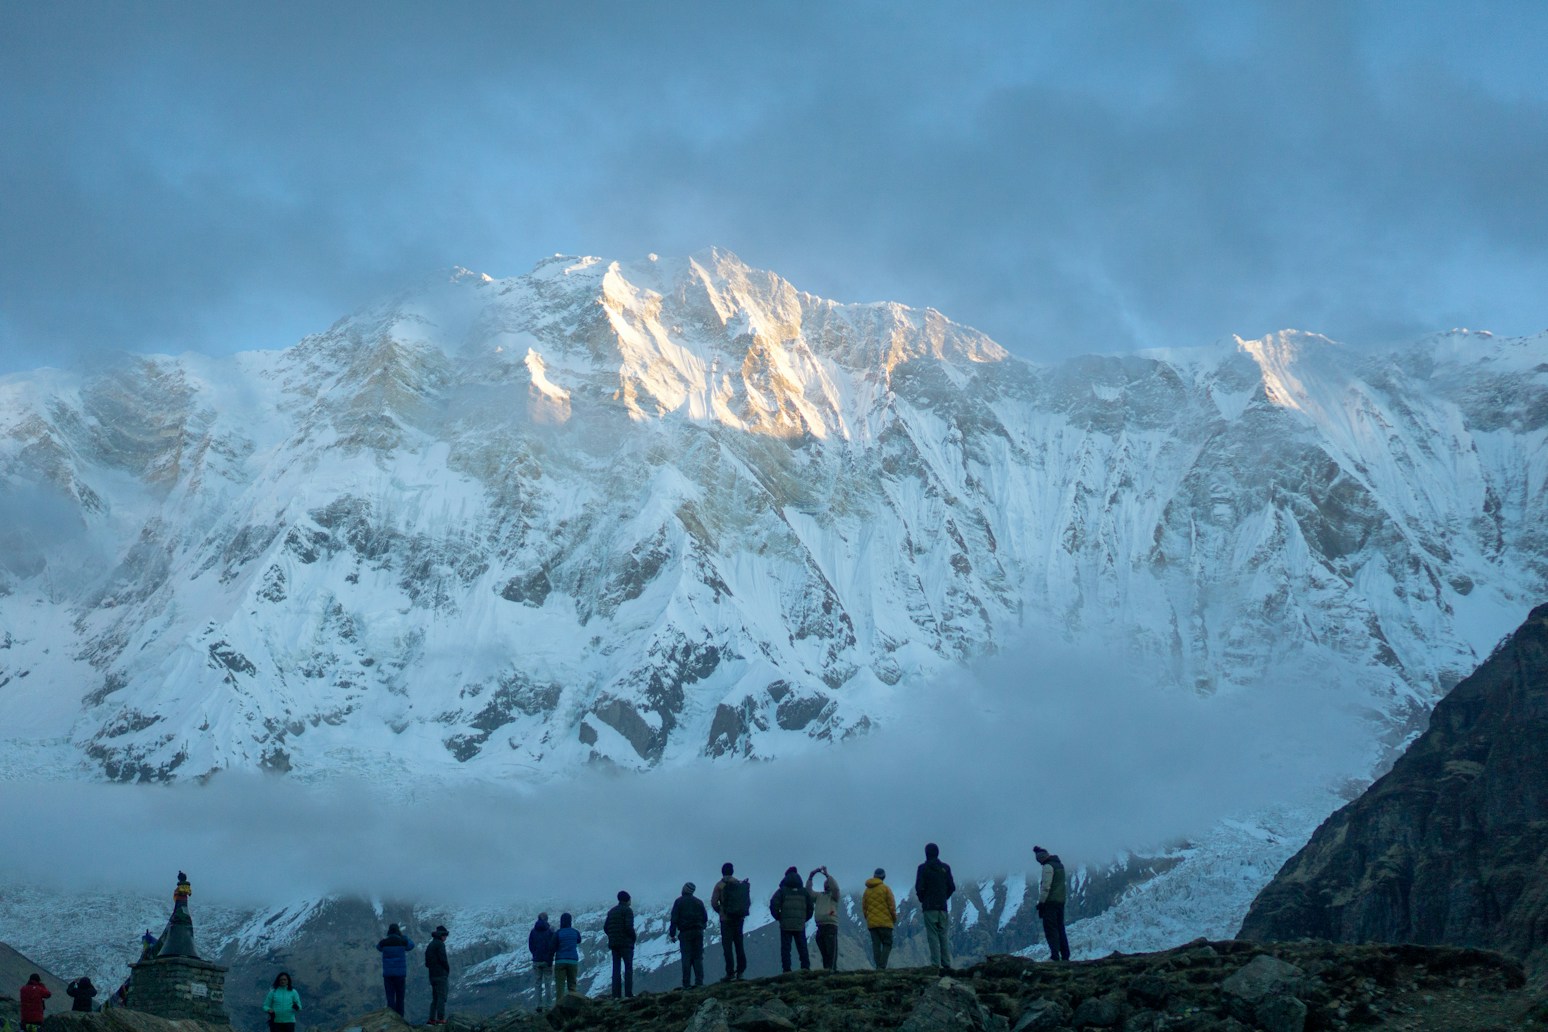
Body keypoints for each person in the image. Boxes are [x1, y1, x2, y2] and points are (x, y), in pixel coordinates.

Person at [915, 842, 956, 972]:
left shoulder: (923, 868)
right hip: (942, 907)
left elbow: (919, 887)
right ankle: (946, 963)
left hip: (929, 907)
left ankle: (935, 964)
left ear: (926, 853)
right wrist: (944, 897)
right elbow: (952, 887)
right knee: (943, 934)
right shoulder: (945, 868)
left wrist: (923, 899)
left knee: (932, 935)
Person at [709, 862, 749, 981]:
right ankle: (741, 972)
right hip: (739, 919)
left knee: (727, 947)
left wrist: (722, 911)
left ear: (722, 872)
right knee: (739, 945)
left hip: (726, 920)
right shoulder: (738, 883)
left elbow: (714, 902)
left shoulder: (719, 885)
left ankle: (730, 973)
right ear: (732, 871)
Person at [769, 866, 814, 972]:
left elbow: (773, 904)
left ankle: (786, 970)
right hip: (799, 923)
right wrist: (803, 918)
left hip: (786, 924)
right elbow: (810, 907)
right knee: (802, 946)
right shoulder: (803, 892)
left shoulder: (782, 891)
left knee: (786, 948)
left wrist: (779, 917)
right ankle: (805, 967)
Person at [1033, 845, 1071, 962]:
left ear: (1042, 858)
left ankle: (1055, 956)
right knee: (1060, 928)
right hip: (1060, 901)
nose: (1039, 863)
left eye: (1039, 860)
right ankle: (1065, 955)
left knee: (1051, 928)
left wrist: (1041, 903)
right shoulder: (1060, 865)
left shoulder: (1048, 866)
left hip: (1050, 902)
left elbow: (1046, 886)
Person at [668, 882, 709, 988]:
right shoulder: (699, 902)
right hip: (698, 932)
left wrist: (672, 934)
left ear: (684, 890)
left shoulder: (679, 902)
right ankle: (699, 982)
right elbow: (705, 918)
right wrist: (701, 927)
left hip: (685, 933)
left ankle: (686, 983)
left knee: (686, 958)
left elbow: (674, 919)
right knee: (697, 957)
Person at [376, 922, 416, 1016]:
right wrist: (404, 937)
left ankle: (391, 1018)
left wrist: (386, 939)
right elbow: (411, 945)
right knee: (400, 997)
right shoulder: (402, 941)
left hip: (388, 975)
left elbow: (378, 947)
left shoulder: (384, 942)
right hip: (400, 975)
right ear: (398, 931)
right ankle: (400, 1019)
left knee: (390, 997)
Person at [861, 868, 899, 970]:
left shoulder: (866, 891)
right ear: (883, 877)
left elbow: (864, 907)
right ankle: (881, 966)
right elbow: (891, 906)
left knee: (876, 945)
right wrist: (894, 919)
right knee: (887, 943)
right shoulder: (886, 889)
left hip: (872, 924)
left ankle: (878, 966)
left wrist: (868, 918)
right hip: (885, 923)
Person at [603, 890, 636, 998]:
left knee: (616, 969)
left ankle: (616, 995)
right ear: (627, 900)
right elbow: (628, 927)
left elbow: (606, 927)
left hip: (614, 944)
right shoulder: (628, 911)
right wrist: (633, 937)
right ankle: (628, 994)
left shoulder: (612, 911)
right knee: (628, 968)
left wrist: (612, 936)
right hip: (626, 944)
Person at [807, 867, 841, 970]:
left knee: (831, 954)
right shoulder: (819, 896)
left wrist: (827, 875)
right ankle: (827, 973)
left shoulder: (834, 896)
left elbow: (836, 888)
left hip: (831, 926)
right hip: (820, 927)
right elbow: (808, 892)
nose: (826, 884)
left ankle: (831, 973)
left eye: (828, 883)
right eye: (825, 883)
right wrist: (811, 876)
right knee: (825, 954)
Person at [527, 912, 558, 1010]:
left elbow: (530, 945)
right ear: (547, 919)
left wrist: (535, 954)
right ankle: (549, 1006)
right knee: (548, 983)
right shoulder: (550, 931)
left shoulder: (533, 931)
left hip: (536, 961)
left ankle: (538, 1005)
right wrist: (550, 956)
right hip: (547, 961)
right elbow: (553, 945)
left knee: (537, 984)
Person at [424, 924, 450, 1025]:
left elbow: (427, 963)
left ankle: (431, 1018)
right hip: (441, 975)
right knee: (441, 997)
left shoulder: (430, 945)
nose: (445, 938)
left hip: (432, 975)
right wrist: (447, 969)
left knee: (435, 997)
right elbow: (443, 959)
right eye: (445, 936)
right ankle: (440, 1018)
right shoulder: (440, 944)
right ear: (441, 935)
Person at [553, 913, 581, 1000]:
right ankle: (573, 1006)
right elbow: (579, 940)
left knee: (560, 987)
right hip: (573, 961)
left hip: (560, 961)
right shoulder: (575, 932)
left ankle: (559, 1007)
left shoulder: (558, 933)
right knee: (572, 985)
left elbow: (553, 946)